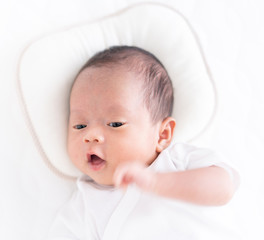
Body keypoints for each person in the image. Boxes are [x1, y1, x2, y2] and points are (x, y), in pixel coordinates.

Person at [48, 46, 240, 239]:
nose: (91, 135)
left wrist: (158, 182)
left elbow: (224, 188)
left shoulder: (176, 161)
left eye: (115, 124)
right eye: (80, 126)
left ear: (162, 135)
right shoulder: (82, 206)